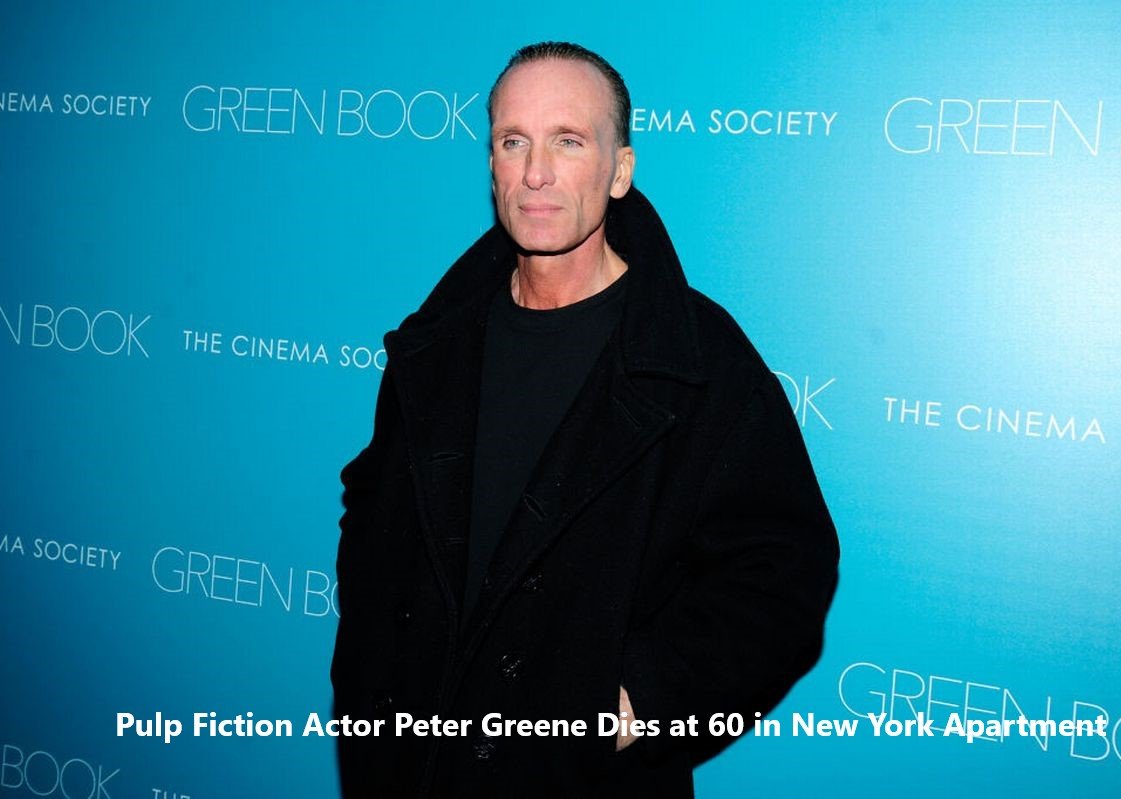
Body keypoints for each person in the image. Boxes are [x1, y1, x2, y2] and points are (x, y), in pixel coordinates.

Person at [331, 41, 839, 798]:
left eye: (569, 141)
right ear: (493, 165)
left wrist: (644, 696)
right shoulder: (434, 344)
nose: (536, 172)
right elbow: (373, 513)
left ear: (620, 170)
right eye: (514, 142)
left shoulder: (698, 360)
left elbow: (784, 567)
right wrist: (367, 676)